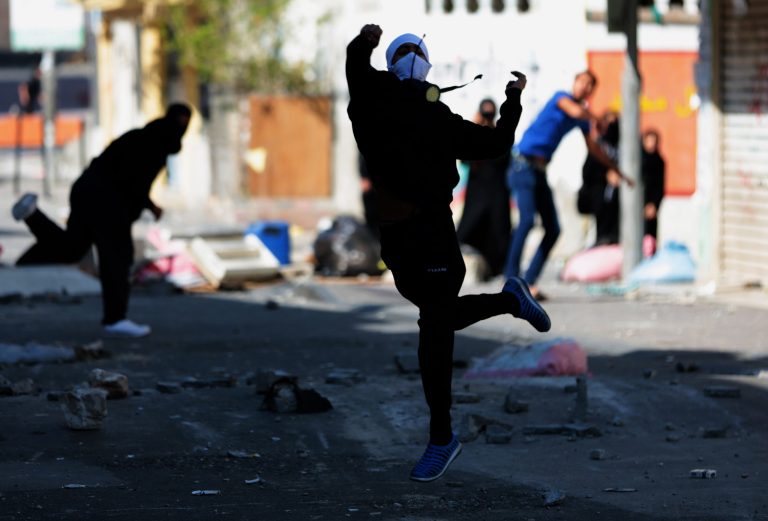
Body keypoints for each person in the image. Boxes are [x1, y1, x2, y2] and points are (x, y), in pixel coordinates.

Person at [346, 24, 550, 483]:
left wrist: (365, 39)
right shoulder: (381, 105)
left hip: (433, 235)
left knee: (434, 330)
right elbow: (498, 141)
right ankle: (508, 300)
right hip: (397, 239)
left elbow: (495, 145)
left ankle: (442, 437)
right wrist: (512, 99)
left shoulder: (407, 110)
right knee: (440, 317)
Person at [11, 103, 192, 338]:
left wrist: (148, 205)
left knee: (72, 248)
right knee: (117, 258)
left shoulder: (140, 136)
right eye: (182, 123)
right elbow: (135, 183)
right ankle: (115, 319)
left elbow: (125, 174)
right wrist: (149, 206)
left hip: (86, 190)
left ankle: (32, 214)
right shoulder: (155, 145)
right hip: (107, 202)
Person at [504, 71, 633, 299]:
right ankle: (511, 279)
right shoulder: (561, 98)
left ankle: (528, 282)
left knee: (553, 229)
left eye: (590, 85)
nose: (585, 87)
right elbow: (575, 110)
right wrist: (598, 119)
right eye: (583, 82)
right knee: (526, 221)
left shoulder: (582, 116)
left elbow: (593, 148)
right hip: (522, 166)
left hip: (540, 171)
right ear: (575, 82)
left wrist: (617, 170)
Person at [456, 98, 512, 278]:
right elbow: (463, 157)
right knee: (470, 227)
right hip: (477, 191)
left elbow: (504, 156)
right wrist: (473, 126)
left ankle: (497, 268)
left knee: (498, 229)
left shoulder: (499, 134)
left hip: (497, 190)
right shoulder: (473, 132)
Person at [577, 111, 621, 246]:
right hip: (600, 198)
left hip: (619, 202)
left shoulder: (625, 148)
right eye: (608, 122)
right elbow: (588, 171)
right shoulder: (597, 147)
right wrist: (606, 175)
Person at [641, 129, 665, 255]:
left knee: (650, 237)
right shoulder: (638, 161)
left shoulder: (659, 162)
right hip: (638, 205)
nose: (651, 144)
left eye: (653, 141)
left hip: (651, 206)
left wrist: (654, 205)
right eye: (648, 141)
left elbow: (660, 186)